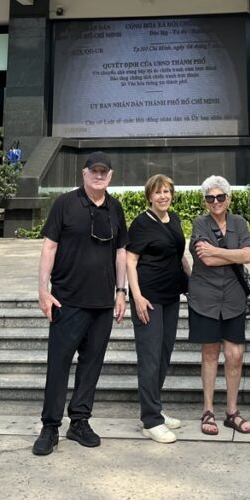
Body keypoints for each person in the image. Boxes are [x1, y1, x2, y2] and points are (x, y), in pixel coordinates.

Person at [33, 151, 128, 457]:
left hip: (102, 303)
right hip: (67, 299)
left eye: (104, 172)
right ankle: (50, 427)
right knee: (58, 364)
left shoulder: (115, 208)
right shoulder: (65, 204)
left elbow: (120, 253)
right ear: (84, 174)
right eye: (94, 171)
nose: (99, 176)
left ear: (110, 176)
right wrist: (43, 291)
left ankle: (80, 421)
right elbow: (49, 247)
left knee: (91, 365)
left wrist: (121, 291)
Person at [126, 173, 191, 444]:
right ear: (149, 196)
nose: (163, 196)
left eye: (167, 191)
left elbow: (181, 256)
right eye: (158, 192)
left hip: (171, 297)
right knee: (150, 357)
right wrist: (137, 296)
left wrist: (194, 283)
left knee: (163, 355)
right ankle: (150, 420)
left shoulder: (174, 219)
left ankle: (155, 409)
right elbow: (130, 261)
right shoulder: (141, 224)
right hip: (148, 299)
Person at [188, 174, 250, 436]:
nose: (215, 201)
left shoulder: (239, 223)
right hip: (205, 298)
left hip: (233, 298)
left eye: (220, 197)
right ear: (205, 202)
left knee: (235, 355)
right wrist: (232, 256)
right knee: (210, 354)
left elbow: (249, 255)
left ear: (229, 199)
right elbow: (206, 260)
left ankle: (231, 411)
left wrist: (218, 252)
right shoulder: (199, 223)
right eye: (210, 198)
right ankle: (208, 410)